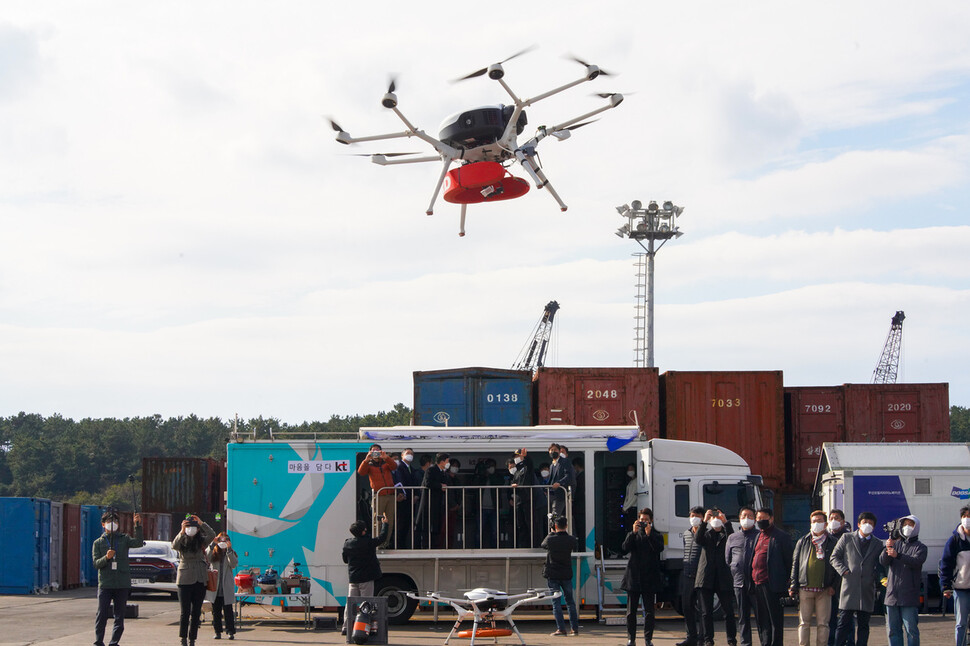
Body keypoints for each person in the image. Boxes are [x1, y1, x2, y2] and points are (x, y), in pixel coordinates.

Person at [830, 511, 883, 646]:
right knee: (843, 623)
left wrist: (875, 578)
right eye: (864, 522)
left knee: (864, 625)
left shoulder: (877, 543)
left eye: (870, 523)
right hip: (849, 586)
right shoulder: (847, 538)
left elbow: (880, 564)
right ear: (858, 524)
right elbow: (834, 557)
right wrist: (843, 570)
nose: (867, 525)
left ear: (874, 527)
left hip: (866, 588)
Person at [92, 510, 144, 646]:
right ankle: (98, 641)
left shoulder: (124, 539)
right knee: (101, 614)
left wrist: (137, 526)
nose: (112, 524)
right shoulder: (98, 543)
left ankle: (114, 642)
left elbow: (138, 542)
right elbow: (96, 564)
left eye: (115, 522)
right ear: (103, 524)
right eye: (109, 522)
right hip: (106, 584)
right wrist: (106, 558)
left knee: (119, 616)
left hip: (122, 583)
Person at [790, 510, 839, 646]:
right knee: (804, 623)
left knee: (823, 623)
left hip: (825, 590)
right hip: (805, 588)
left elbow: (838, 566)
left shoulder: (833, 542)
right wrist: (793, 585)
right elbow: (795, 563)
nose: (816, 524)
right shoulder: (803, 541)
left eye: (819, 521)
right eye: (814, 521)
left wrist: (833, 586)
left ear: (825, 524)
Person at [620, 508, 664, 646]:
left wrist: (649, 534)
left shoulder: (656, 535)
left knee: (649, 611)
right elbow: (625, 548)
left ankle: (648, 638)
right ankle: (631, 638)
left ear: (651, 520)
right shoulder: (633, 534)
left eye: (646, 520)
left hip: (649, 577)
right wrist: (633, 532)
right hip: (633, 577)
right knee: (630, 612)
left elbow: (658, 549)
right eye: (641, 519)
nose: (644, 522)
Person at [880, 515, 926, 646]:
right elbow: (883, 561)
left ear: (916, 527)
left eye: (910, 525)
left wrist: (898, 555)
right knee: (893, 630)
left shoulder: (920, 547)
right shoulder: (896, 543)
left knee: (911, 629)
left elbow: (916, 562)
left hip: (909, 595)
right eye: (905, 524)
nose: (907, 527)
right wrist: (887, 547)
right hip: (892, 595)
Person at [752, 507, 794, 646]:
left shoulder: (781, 536)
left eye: (763, 519)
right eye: (758, 519)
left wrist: (788, 583)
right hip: (758, 583)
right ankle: (765, 643)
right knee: (762, 619)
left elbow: (789, 561)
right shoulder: (758, 536)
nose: (760, 521)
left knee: (775, 620)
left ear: (771, 519)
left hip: (773, 584)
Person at [695, 508, 738, 646]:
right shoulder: (706, 535)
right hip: (706, 577)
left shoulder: (727, 536)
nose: (715, 519)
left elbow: (734, 539)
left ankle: (731, 640)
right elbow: (697, 539)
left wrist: (726, 522)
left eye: (717, 517)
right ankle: (708, 640)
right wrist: (704, 521)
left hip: (723, 577)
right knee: (706, 612)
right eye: (713, 517)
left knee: (729, 612)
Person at [341, 514, 389, 636]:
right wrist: (385, 524)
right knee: (366, 603)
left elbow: (345, 560)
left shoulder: (347, 543)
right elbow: (382, 538)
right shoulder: (368, 542)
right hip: (366, 579)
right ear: (363, 531)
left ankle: (346, 627)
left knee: (350, 604)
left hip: (353, 579)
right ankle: (364, 628)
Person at [172, 514, 216, 646]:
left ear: (197, 530)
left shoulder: (201, 541)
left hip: (200, 578)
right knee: (185, 611)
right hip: (184, 579)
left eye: (194, 527)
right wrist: (181, 530)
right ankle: (183, 638)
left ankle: (192, 639)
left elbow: (212, 535)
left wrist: (202, 523)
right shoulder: (182, 540)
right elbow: (174, 545)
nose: (191, 530)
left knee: (196, 611)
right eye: (189, 527)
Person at [542, 515, 580, 637]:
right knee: (570, 602)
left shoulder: (551, 539)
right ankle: (574, 628)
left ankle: (561, 629)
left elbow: (543, 544)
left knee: (556, 602)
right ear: (567, 526)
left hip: (553, 574)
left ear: (555, 526)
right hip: (566, 574)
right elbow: (575, 545)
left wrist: (551, 532)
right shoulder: (571, 539)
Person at [726, 506, 759, 646]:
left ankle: (765, 641)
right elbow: (728, 559)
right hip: (739, 583)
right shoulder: (733, 537)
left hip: (757, 583)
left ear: (755, 519)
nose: (747, 519)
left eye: (750, 516)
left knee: (761, 617)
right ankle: (745, 643)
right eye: (744, 516)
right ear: (739, 519)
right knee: (743, 617)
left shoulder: (759, 535)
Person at [939, 505, 970, 646]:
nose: (967, 519)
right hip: (961, 588)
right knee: (961, 623)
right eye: (965, 516)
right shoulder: (954, 540)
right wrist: (945, 586)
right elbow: (946, 564)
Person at [357, 443, 397, 548]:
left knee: (390, 520)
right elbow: (361, 472)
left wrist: (386, 457)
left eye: (378, 451)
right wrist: (366, 459)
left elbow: (394, 466)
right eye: (373, 451)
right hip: (379, 495)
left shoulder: (386, 462)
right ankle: (377, 542)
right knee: (377, 520)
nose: (376, 453)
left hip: (390, 494)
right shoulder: (369, 464)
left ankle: (386, 542)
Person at [676, 506, 705, 646]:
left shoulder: (706, 534)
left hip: (701, 577)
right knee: (687, 607)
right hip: (687, 575)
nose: (693, 518)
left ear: (703, 517)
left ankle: (702, 638)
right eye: (692, 515)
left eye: (697, 515)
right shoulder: (686, 534)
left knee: (703, 610)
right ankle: (691, 637)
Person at [826, 509, 854, 646]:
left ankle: (849, 642)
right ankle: (832, 642)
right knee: (830, 617)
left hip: (844, 582)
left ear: (843, 521)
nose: (833, 521)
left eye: (836, 518)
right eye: (831, 518)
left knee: (846, 617)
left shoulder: (848, 538)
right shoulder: (826, 538)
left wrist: (835, 584)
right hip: (829, 584)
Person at [205, 532, 238, 640]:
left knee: (228, 611)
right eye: (221, 540)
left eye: (225, 540)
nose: (223, 543)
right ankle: (217, 631)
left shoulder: (231, 552)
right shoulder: (214, 553)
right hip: (215, 586)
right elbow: (207, 558)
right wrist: (212, 544)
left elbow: (233, 564)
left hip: (226, 587)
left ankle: (230, 631)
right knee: (216, 611)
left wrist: (229, 550)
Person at [394, 447, 420, 549]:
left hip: (411, 501)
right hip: (403, 501)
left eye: (412, 454)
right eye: (408, 453)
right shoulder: (399, 467)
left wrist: (416, 495)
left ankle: (403, 543)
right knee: (401, 524)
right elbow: (399, 482)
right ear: (402, 455)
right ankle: (398, 545)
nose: (410, 455)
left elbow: (416, 483)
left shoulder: (412, 469)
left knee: (407, 524)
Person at [509, 448, 535, 547]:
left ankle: (532, 545)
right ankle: (523, 545)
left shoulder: (526, 466)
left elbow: (529, 464)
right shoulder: (517, 470)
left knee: (529, 523)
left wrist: (525, 457)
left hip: (527, 499)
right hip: (518, 500)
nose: (516, 458)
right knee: (520, 524)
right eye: (515, 457)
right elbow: (513, 482)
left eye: (518, 456)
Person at [547, 443, 575, 522]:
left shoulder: (565, 461)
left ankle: (554, 530)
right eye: (551, 450)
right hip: (552, 494)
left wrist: (559, 483)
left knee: (555, 515)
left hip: (560, 495)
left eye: (555, 450)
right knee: (551, 515)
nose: (553, 452)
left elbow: (569, 476)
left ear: (559, 451)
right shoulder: (552, 465)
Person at [571, 457, 586, 545]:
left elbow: (579, 492)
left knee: (581, 531)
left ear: (576, 466)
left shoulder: (581, 477)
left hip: (580, 509)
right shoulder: (581, 476)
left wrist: (573, 499)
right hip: (579, 509)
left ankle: (582, 548)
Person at [622, 463, 638, 534]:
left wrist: (625, 507)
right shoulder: (631, 482)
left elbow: (633, 497)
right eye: (628, 469)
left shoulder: (636, 482)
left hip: (633, 509)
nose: (630, 471)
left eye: (631, 469)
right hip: (629, 509)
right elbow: (628, 496)